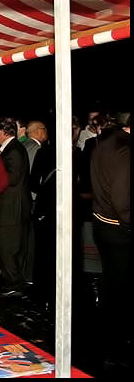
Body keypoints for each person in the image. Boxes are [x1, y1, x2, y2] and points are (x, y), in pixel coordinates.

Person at [90, 112, 131, 367]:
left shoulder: (106, 142)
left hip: (103, 223)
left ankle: (110, 339)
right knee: (120, 289)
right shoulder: (124, 149)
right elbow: (123, 199)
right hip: (118, 229)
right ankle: (116, 344)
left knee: (112, 285)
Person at [0, 117, 33, 297]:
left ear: (3, 132)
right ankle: (12, 280)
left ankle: (15, 283)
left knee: (8, 244)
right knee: (7, 243)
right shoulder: (10, 149)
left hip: (12, 207)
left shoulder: (14, 150)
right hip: (10, 206)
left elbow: (11, 178)